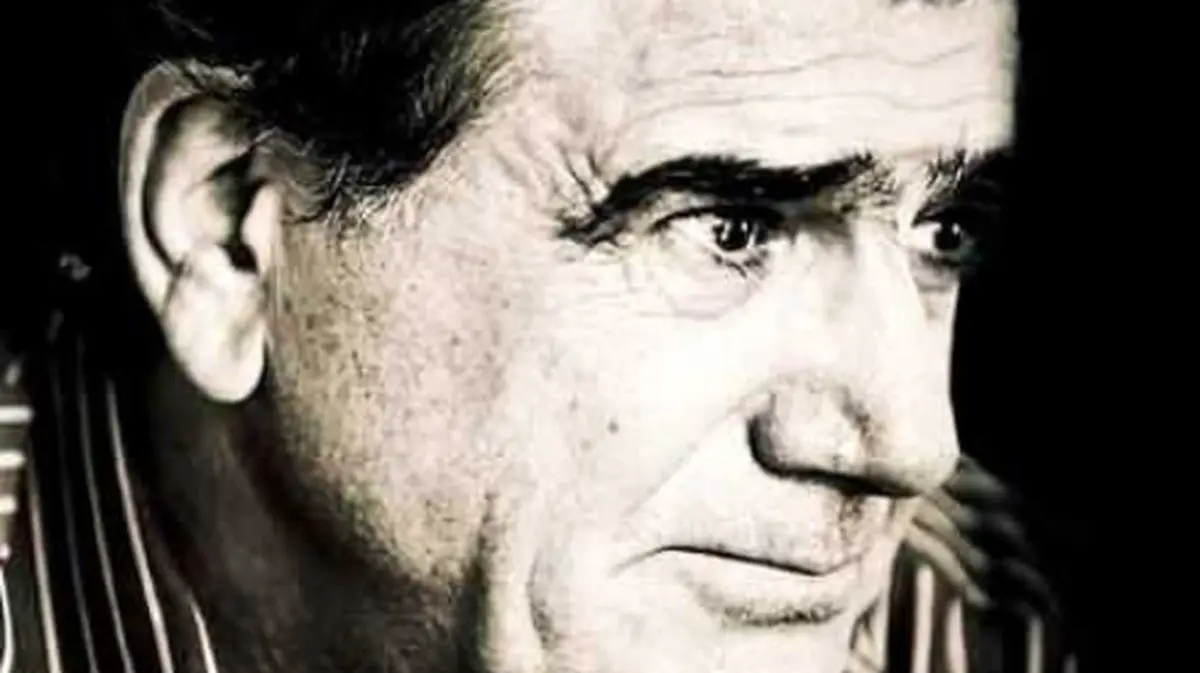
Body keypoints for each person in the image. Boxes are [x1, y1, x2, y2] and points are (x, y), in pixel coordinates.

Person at [1, 0, 1074, 671]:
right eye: (731, 227)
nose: (914, 442)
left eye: (943, 231)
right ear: (231, 233)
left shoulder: (989, 628)